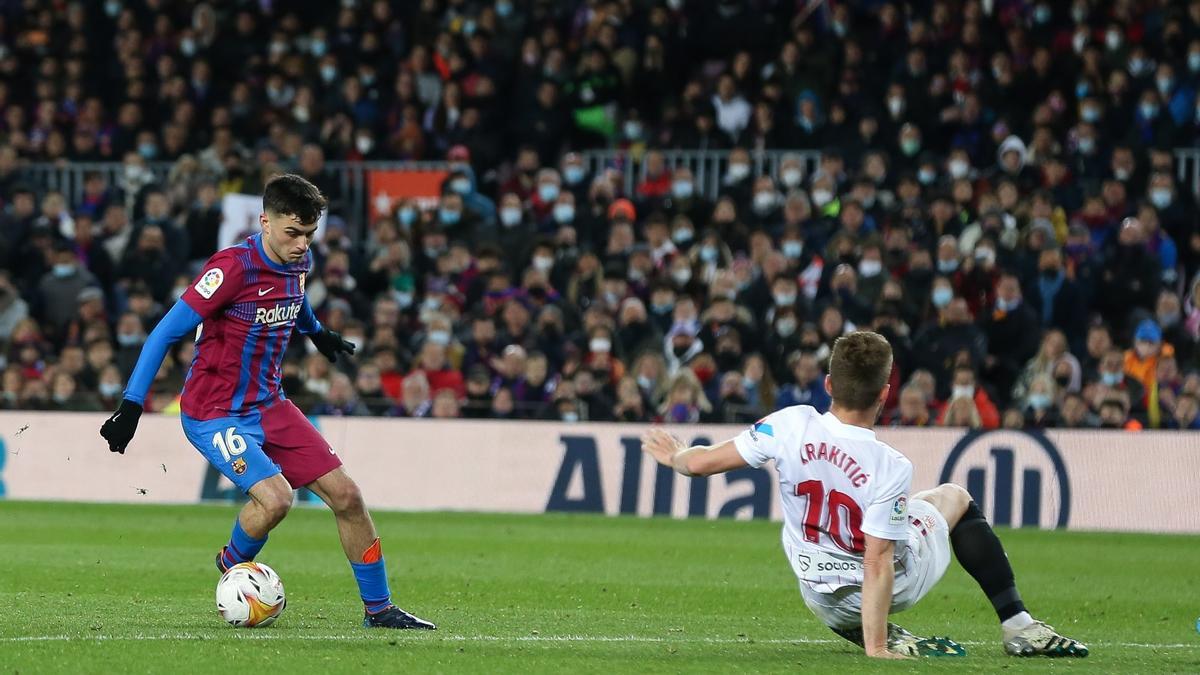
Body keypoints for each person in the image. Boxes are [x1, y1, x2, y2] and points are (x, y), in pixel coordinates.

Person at [99, 175, 435, 631]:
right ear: (265, 221)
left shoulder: (300, 260)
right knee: (277, 500)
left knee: (348, 496)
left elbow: (294, 300)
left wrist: (318, 333)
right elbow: (165, 331)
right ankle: (232, 564)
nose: (302, 245)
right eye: (293, 233)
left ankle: (380, 610)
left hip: (270, 405)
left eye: (309, 235)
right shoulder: (231, 268)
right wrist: (132, 404)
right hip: (214, 412)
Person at [641, 331, 1087, 659]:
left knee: (888, 525)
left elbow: (700, 464)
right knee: (952, 498)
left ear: (829, 385)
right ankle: (1018, 626)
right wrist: (876, 649)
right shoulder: (889, 465)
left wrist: (676, 455)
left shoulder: (790, 423)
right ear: (885, 394)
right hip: (878, 590)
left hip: (817, 595)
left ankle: (860, 624)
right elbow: (876, 562)